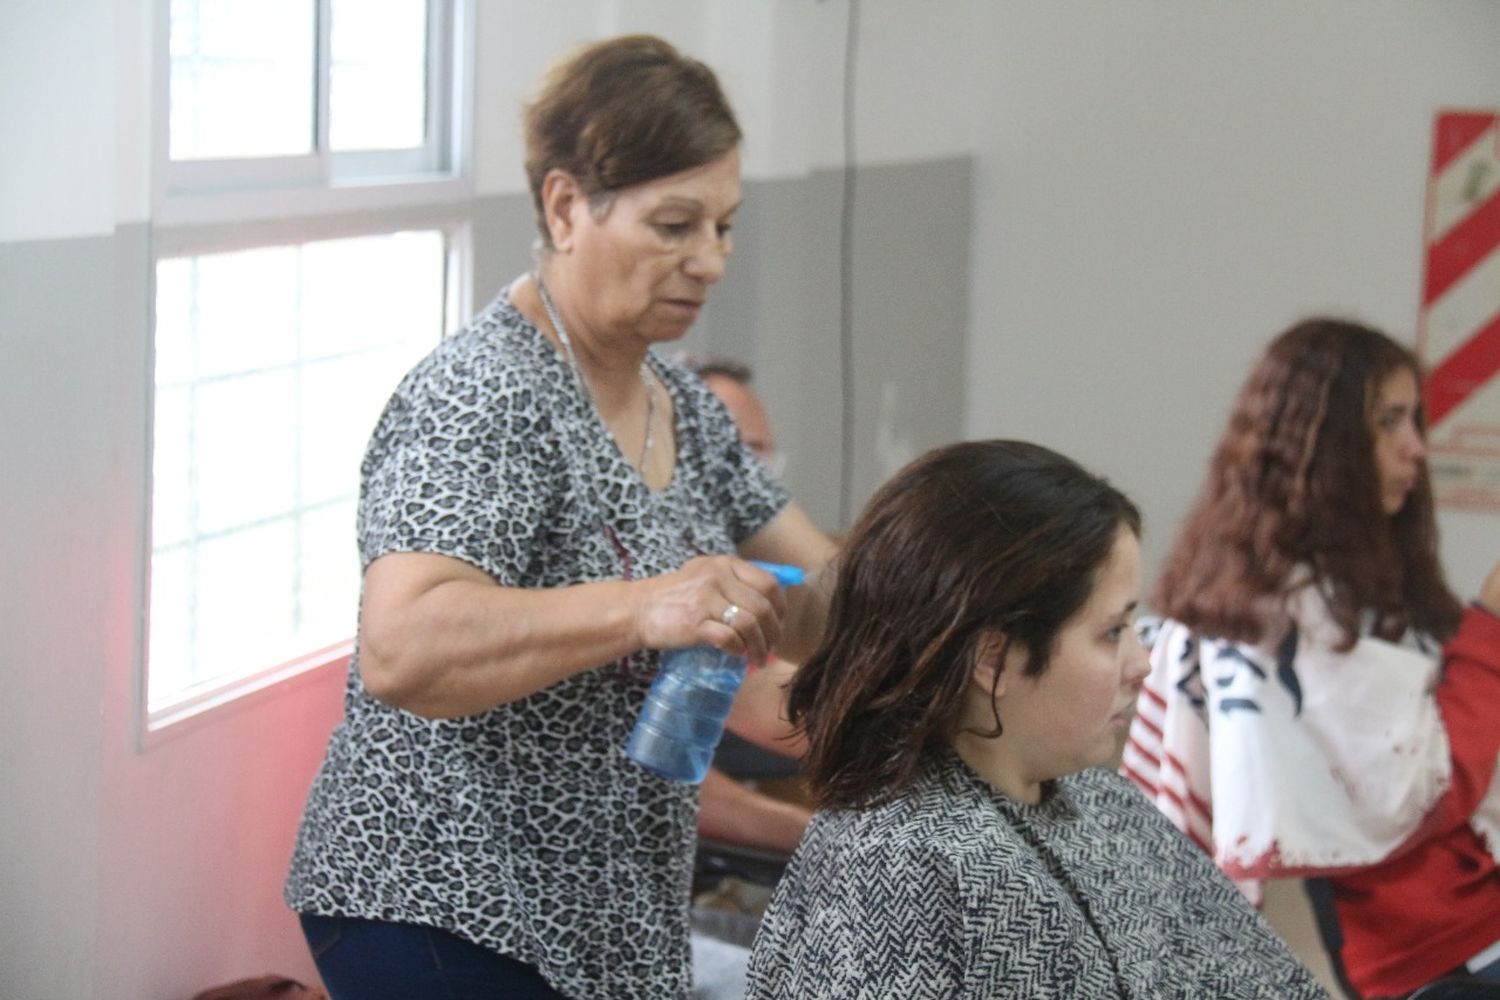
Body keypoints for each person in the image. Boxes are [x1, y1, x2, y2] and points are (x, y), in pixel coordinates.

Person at [283, 35, 835, 1000]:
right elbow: (405, 648)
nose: (710, 260)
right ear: (567, 205)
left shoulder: (677, 399)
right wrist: (645, 608)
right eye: (675, 224)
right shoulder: (482, 394)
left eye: (723, 225)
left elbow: (826, 588)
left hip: (603, 903)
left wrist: (956, 589)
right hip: (446, 896)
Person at [744, 440, 1328, 999]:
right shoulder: (900, 869)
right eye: (1111, 633)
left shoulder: (1092, 796)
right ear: (993, 658)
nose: (1143, 664)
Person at [1123, 318, 1500, 999]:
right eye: (1389, 422)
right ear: (1321, 443)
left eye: (1414, 419)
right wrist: (1492, 629)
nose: (1416, 447)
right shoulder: (1298, 608)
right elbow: (1424, 786)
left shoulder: (1301, 589)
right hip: (1438, 960)